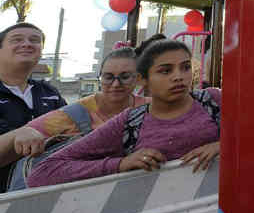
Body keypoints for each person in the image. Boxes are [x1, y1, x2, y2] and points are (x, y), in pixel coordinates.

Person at [27, 39, 221, 187]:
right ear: (142, 79)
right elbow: (42, 173)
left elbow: (252, 133)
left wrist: (225, 146)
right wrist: (119, 164)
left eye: (185, 67)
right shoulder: (130, 122)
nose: (179, 76)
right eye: (165, 71)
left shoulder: (213, 101)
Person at [3, 47, 150, 170]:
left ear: (138, 78)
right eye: (108, 77)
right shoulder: (74, 115)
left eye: (125, 77)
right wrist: (24, 132)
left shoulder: (153, 108)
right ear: (100, 77)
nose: (116, 84)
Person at [0, 23, 65, 192]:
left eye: (35, 40)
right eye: (17, 39)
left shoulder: (49, 92)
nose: (27, 44)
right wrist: (19, 134)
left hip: (45, 194)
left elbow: (70, 134)